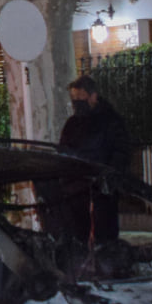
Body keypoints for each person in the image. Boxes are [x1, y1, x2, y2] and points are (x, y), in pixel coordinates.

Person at [56, 74, 132, 245]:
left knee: (105, 232)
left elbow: (121, 151)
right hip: (77, 187)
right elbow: (64, 151)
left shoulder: (112, 121)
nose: (77, 103)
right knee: (77, 233)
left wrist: (110, 176)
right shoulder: (72, 124)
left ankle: (105, 261)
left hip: (103, 186)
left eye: (80, 98)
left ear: (93, 96)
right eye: (74, 99)